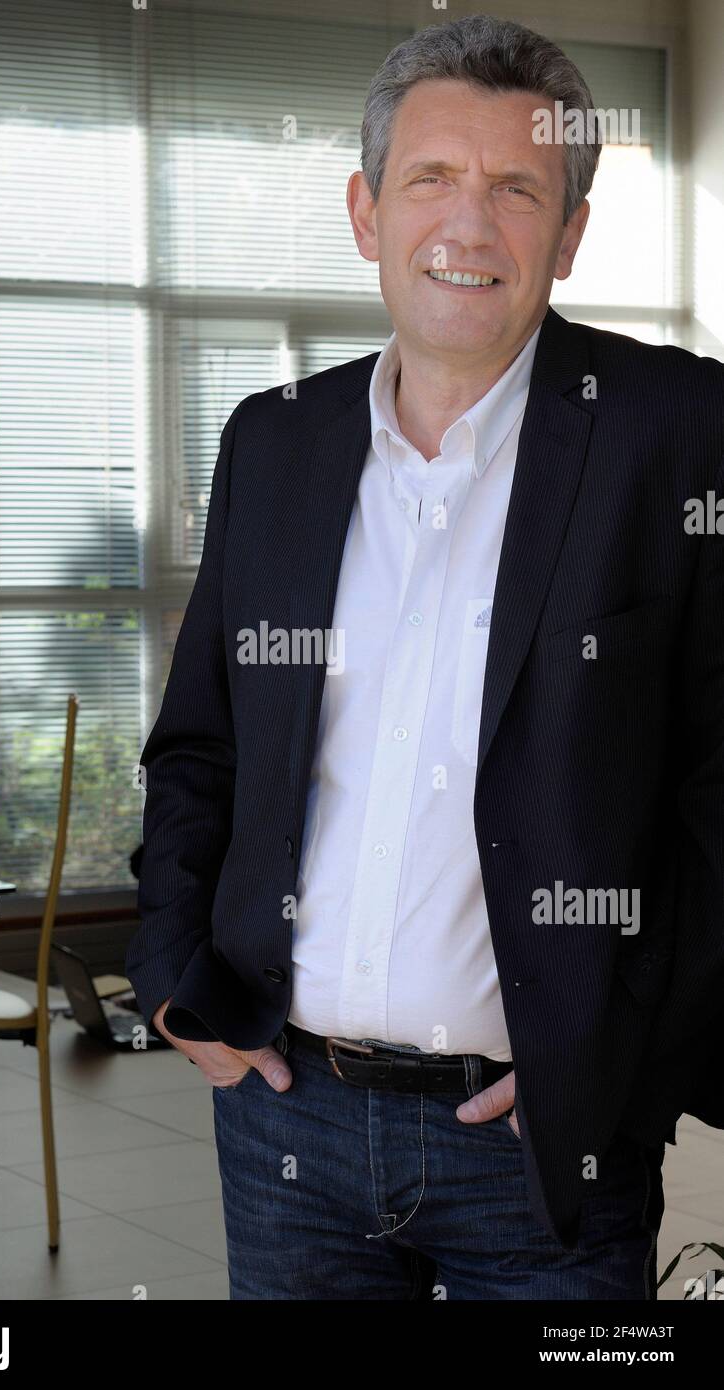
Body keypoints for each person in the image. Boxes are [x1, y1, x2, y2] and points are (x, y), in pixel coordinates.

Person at [125, 14, 724, 1299]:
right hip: (287, 1120)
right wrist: (179, 984)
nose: (469, 224)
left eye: (517, 189)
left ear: (565, 233)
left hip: (535, 1144)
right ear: (364, 209)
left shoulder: (676, 434)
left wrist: (620, 1059)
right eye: (430, 180)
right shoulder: (272, 444)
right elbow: (198, 746)